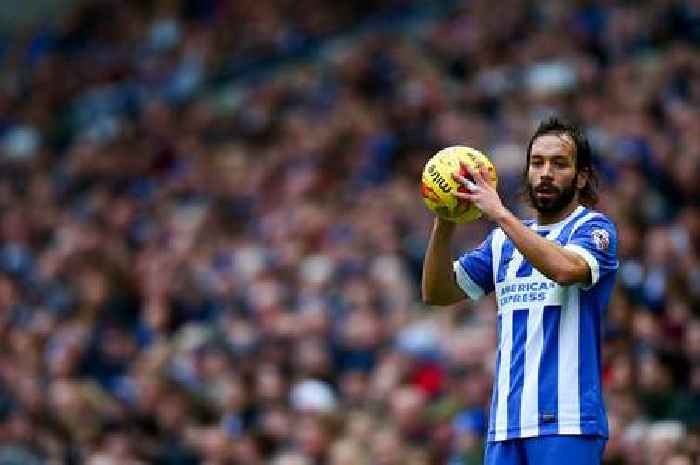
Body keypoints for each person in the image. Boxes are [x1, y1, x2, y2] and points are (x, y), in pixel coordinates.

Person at [422, 117, 618, 465]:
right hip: (506, 425)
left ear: (581, 176)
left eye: (559, 163)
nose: (545, 172)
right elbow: (437, 293)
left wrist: (499, 213)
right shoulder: (501, 243)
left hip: (567, 422)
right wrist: (445, 218)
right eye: (537, 162)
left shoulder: (593, 228)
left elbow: (565, 269)